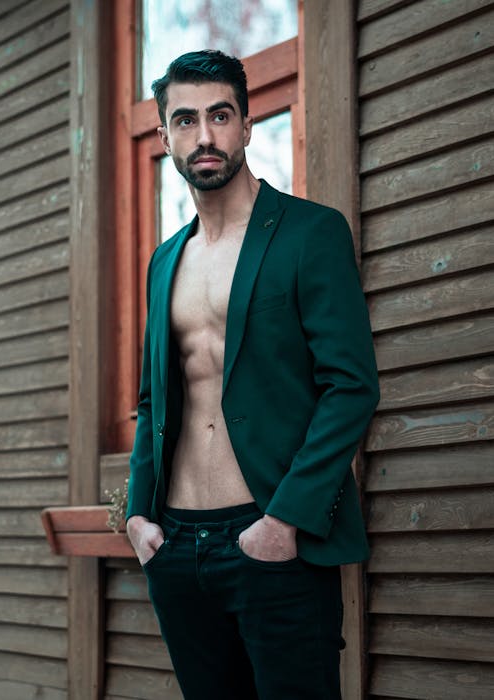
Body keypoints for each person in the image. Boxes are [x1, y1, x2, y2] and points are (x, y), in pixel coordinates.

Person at [126, 49, 379, 700]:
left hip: (270, 539)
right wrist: (137, 516)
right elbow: (155, 400)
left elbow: (351, 386)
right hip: (175, 546)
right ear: (164, 137)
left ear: (246, 122)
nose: (204, 136)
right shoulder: (165, 261)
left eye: (219, 115)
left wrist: (286, 521)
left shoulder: (308, 233)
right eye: (185, 120)